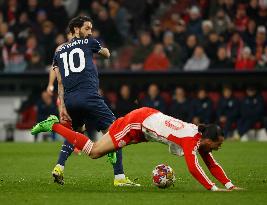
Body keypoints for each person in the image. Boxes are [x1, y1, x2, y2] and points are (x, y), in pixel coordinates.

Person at [32, 107, 243, 191]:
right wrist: (214, 189)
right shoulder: (190, 139)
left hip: (143, 126)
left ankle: (112, 157)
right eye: (218, 144)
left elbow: (211, 164)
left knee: (100, 148)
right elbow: (193, 167)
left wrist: (230, 186)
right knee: (95, 151)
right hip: (138, 124)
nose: (218, 148)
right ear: (209, 139)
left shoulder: (199, 138)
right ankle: (53, 124)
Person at [49, 16, 138, 186]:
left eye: (91, 29)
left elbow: (59, 81)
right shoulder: (89, 42)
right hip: (89, 96)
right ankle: (119, 177)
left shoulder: (59, 51)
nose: (90, 32)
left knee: (75, 133)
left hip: (70, 100)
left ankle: (59, 166)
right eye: (87, 28)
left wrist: (62, 106)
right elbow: (106, 54)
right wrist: (102, 49)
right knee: (116, 131)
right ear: (76, 29)